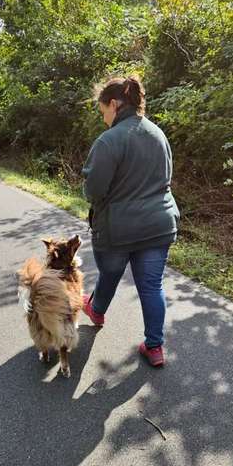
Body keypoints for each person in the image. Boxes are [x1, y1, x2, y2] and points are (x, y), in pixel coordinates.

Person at [81, 75, 180, 367]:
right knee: (151, 286)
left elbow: (94, 190)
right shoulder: (157, 134)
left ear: (114, 104)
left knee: (110, 274)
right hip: (159, 224)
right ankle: (155, 347)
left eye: (103, 112)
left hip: (117, 230)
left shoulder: (109, 140)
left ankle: (96, 312)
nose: (104, 119)